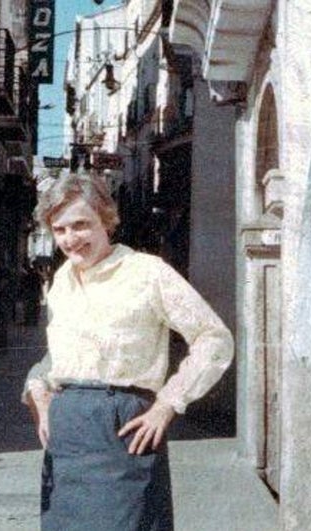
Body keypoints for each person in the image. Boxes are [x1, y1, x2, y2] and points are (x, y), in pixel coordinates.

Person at [23, 172, 234, 530]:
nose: (70, 239)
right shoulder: (61, 282)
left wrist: (168, 403)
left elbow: (213, 338)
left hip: (124, 428)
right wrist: (40, 396)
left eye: (81, 225)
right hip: (67, 432)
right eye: (60, 230)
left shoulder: (147, 273)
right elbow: (56, 358)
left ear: (106, 221)